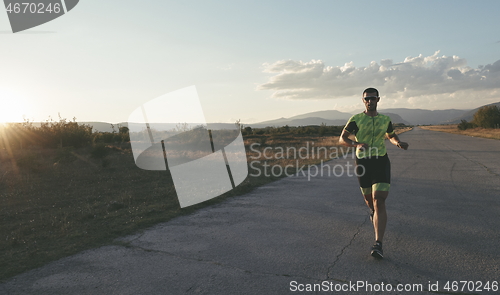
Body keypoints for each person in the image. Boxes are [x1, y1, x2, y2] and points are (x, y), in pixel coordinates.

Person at [339, 88, 409, 259]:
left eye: (373, 98)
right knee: (370, 201)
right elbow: (342, 139)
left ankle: (378, 244)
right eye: (367, 99)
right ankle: (373, 212)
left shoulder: (385, 119)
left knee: (379, 199)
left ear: (378, 99)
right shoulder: (356, 119)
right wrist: (356, 145)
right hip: (363, 162)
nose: (370, 101)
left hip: (380, 161)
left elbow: (391, 135)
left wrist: (397, 142)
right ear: (363, 100)